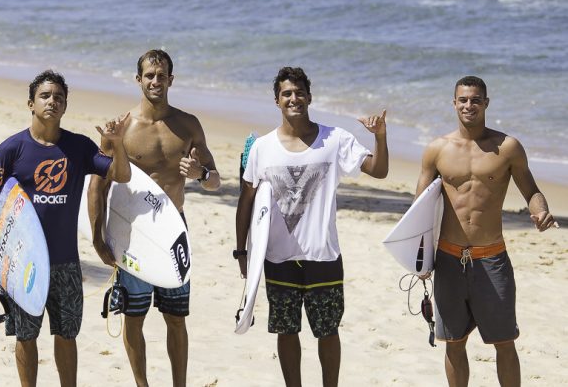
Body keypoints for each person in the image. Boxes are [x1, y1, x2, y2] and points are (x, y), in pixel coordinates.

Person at [235, 66, 388, 387]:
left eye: (299, 92)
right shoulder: (262, 147)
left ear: (310, 96)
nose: (294, 98)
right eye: (286, 94)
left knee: (328, 331)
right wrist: (241, 252)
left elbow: (379, 170)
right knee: (286, 330)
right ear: (277, 101)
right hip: (277, 258)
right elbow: (246, 201)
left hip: (324, 256)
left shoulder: (335, 139)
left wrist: (380, 136)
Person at [0, 70, 131, 387]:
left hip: (65, 262)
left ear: (65, 106)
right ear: (31, 103)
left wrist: (118, 144)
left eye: (58, 97)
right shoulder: (12, 149)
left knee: (67, 334)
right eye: (45, 96)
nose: (52, 101)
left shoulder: (80, 147)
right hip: (22, 263)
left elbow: (122, 174)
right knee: (25, 334)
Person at [88, 49, 220, 387]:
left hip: (174, 230)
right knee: (134, 318)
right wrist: (97, 238)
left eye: (161, 76)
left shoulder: (188, 125)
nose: (155, 81)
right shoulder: (121, 128)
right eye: (149, 75)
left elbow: (215, 180)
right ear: (138, 80)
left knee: (177, 318)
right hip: (132, 233)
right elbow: (97, 188)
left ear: (171, 80)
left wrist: (200, 173)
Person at [415, 76, 558, 387]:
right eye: (463, 100)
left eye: (476, 99)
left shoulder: (507, 148)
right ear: (454, 103)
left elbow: (531, 191)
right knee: (454, 342)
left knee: (504, 341)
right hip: (449, 259)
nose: (469, 105)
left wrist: (541, 211)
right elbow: (418, 211)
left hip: (492, 259)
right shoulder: (437, 150)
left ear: (486, 103)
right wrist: (420, 260)